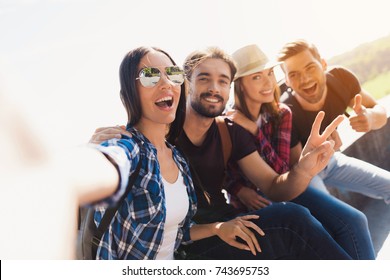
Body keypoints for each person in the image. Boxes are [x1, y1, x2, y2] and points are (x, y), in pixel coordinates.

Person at [90, 46, 354, 260]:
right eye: (204, 78)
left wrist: (304, 169)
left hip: (216, 226)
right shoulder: (148, 139)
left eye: (223, 81)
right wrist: (100, 147)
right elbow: (113, 159)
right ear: (189, 84)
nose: (214, 88)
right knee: (291, 221)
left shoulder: (220, 135)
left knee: (329, 220)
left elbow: (273, 186)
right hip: (191, 251)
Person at [225, 44, 375, 259]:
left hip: (286, 186)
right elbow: (219, 169)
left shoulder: (282, 114)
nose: (268, 82)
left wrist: (255, 132)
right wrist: (238, 188)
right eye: (256, 77)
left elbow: (281, 170)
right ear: (239, 85)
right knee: (320, 232)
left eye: (269, 73)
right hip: (254, 204)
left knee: (354, 220)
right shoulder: (228, 122)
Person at [277, 39, 390, 203]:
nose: (305, 79)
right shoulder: (286, 112)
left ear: (323, 64)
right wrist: (320, 149)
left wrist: (371, 119)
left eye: (310, 68)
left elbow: (379, 111)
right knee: (336, 218)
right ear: (287, 81)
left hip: (331, 161)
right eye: (294, 75)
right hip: (302, 174)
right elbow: (298, 168)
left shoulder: (341, 79)